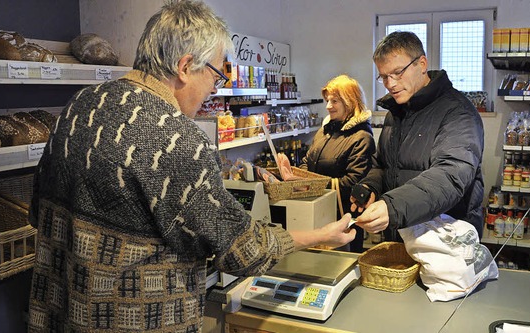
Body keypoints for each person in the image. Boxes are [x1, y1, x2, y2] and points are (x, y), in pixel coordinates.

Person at [26, 1, 355, 332]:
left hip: (60, 313)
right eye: (215, 74)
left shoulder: (80, 105)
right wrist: (321, 234)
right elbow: (243, 252)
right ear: (184, 67)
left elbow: (37, 210)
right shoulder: (176, 140)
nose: (215, 87)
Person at [351, 31, 484, 242]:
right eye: (384, 76)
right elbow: (382, 165)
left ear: (422, 64)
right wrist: (370, 187)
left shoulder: (458, 112)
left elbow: (449, 176)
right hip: (402, 235)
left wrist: (393, 206)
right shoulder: (395, 114)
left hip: (446, 243)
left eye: (398, 72)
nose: (390, 83)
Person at [300, 74, 375, 253]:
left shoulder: (362, 138)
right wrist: (297, 178)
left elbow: (353, 183)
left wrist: (310, 185)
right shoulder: (325, 131)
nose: (328, 106)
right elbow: (307, 160)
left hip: (342, 219)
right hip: (316, 213)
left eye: (334, 101)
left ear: (349, 102)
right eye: (328, 100)